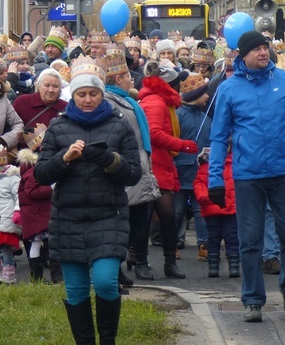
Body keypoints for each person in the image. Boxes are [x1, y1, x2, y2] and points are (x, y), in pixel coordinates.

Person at [206, 30, 285, 323]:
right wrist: (216, 179)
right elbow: (219, 138)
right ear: (242, 55)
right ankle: (253, 299)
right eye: (256, 49)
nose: (262, 52)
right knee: (250, 240)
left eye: (265, 48)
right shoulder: (229, 89)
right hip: (248, 175)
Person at [34, 55, 142, 344]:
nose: (88, 99)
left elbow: (133, 173)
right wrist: (64, 158)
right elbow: (42, 174)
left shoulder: (119, 125)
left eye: (93, 93)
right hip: (68, 219)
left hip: (108, 217)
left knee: (107, 282)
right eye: (81, 94)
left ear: (101, 93)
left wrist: (108, 159)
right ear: (74, 96)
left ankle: (107, 340)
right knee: (77, 290)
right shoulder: (58, 127)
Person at [103, 52, 161, 285]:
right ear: (118, 79)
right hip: (125, 169)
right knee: (126, 222)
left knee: (138, 219)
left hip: (138, 167)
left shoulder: (127, 100)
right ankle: (111, 269)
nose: (133, 79)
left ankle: (115, 268)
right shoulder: (109, 103)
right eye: (128, 76)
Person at [139, 60, 198, 280]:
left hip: (160, 164)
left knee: (164, 216)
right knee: (156, 216)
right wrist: (181, 144)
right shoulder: (156, 102)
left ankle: (165, 263)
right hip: (154, 166)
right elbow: (153, 133)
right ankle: (145, 262)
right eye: (177, 83)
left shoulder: (159, 101)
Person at [174, 73, 211, 260]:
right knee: (177, 210)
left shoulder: (206, 118)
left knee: (200, 209)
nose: (207, 97)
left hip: (201, 171)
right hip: (181, 170)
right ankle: (172, 243)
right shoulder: (178, 115)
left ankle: (203, 243)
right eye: (204, 93)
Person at [195, 147, 240, 278]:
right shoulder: (207, 163)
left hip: (231, 208)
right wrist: (203, 197)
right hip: (212, 207)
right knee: (213, 237)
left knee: (232, 237)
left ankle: (234, 265)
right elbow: (200, 183)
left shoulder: (235, 161)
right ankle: (213, 266)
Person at [17, 124, 52, 283]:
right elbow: (33, 191)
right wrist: (51, 189)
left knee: (40, 244)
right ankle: (38, 275)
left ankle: (38, 275)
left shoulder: (32, 168)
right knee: (39, 244)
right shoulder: (32, 170)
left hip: (39, 214)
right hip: (37, 215)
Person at [14, 68, 68, 136]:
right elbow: (12, 127)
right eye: (47, 85)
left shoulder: (66, 108)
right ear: (38, 86)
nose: (51, 90)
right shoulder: (22, 101)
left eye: (55, 86)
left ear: (60, 89)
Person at [0, 148, 21, 284]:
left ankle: (9, 275)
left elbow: (19, 195)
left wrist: (17, 210)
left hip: (6, 217)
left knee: (4, 248)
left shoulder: (12, 177)